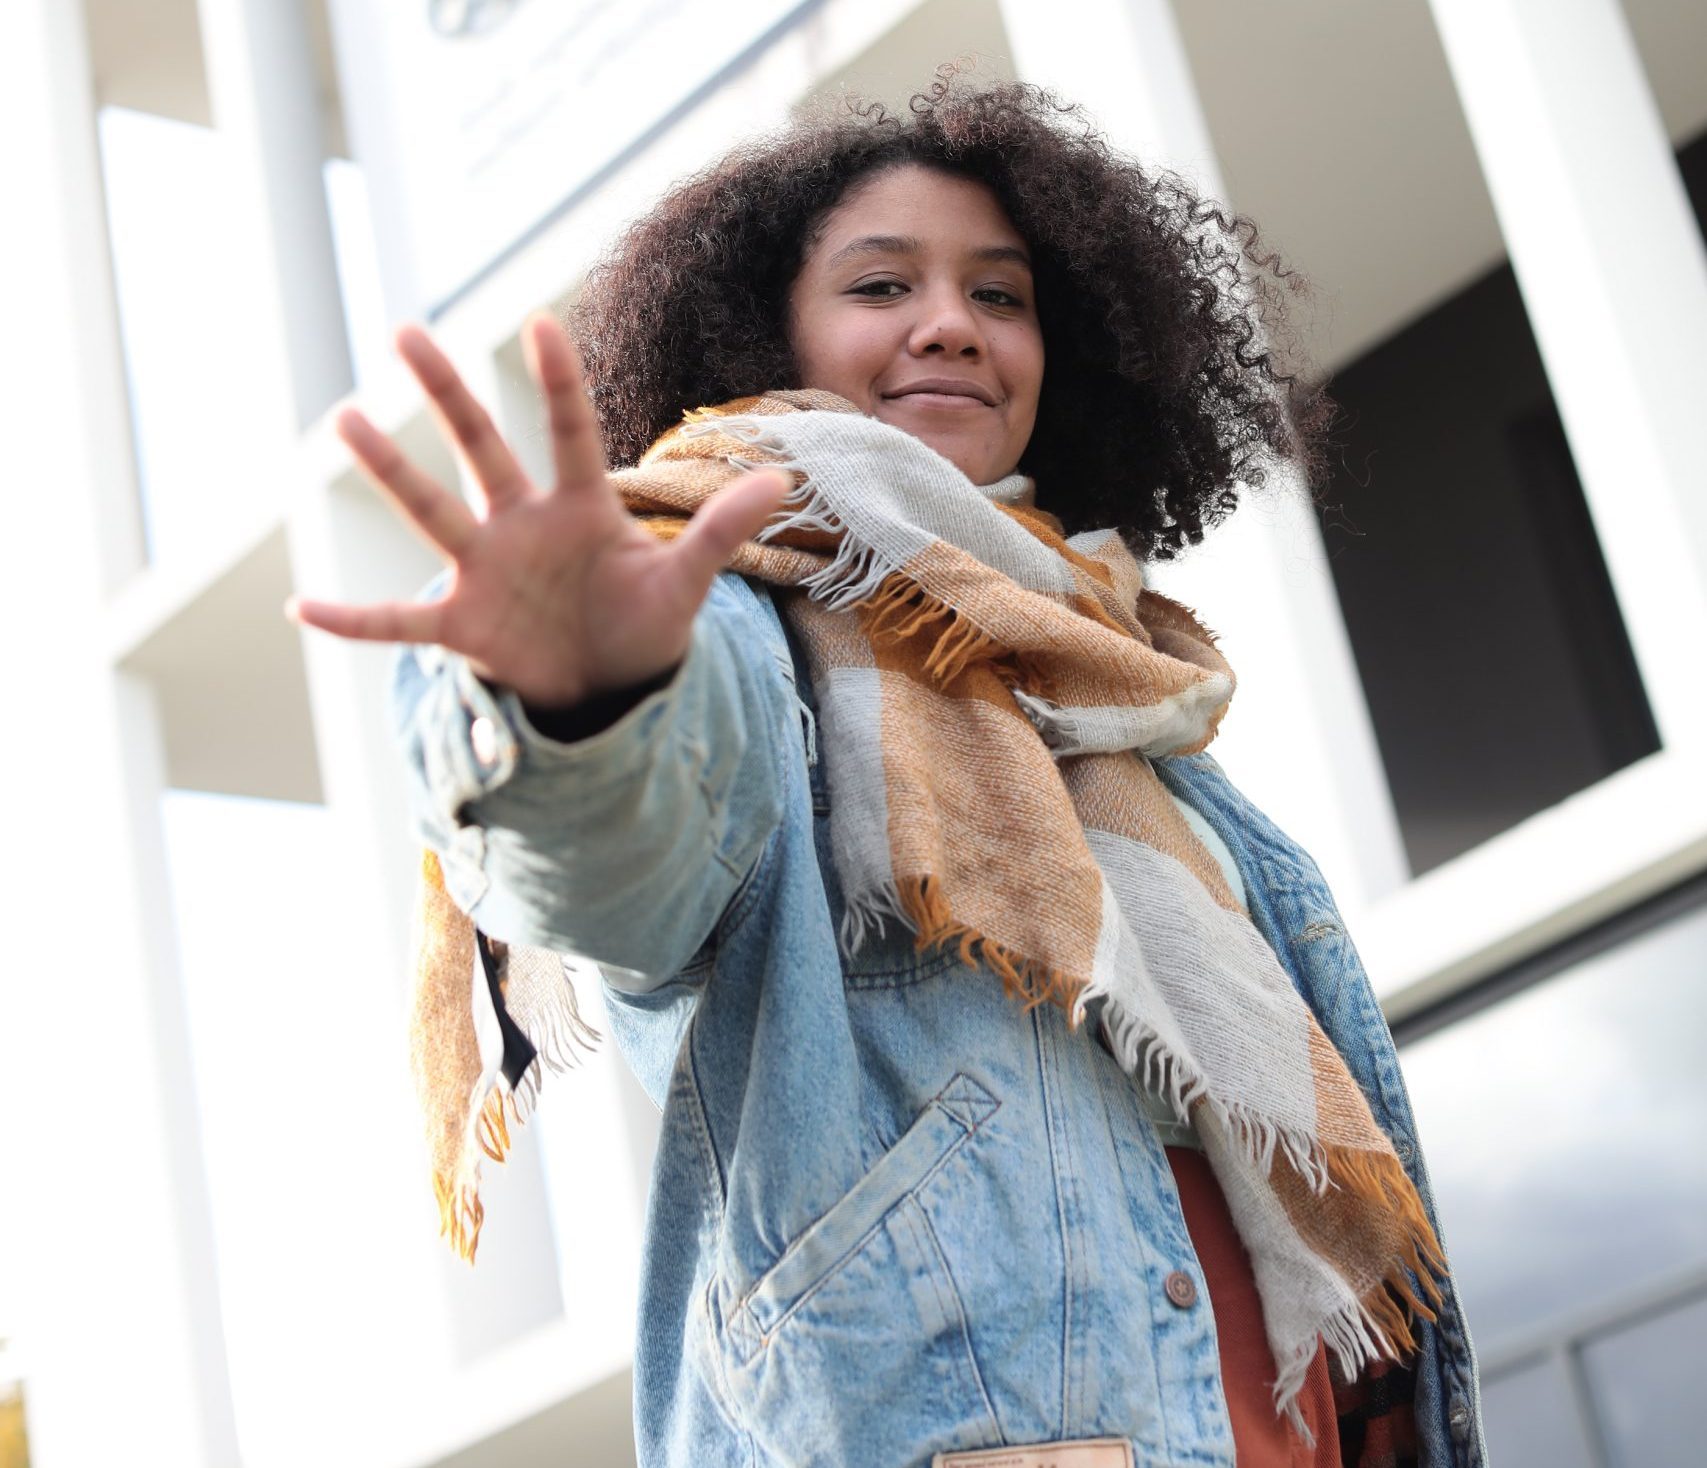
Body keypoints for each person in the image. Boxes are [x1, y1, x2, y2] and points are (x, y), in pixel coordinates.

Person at [289, 76, 1485, 1468]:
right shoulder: (730, 623)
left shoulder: (1134, 700)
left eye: (1001, 294)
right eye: (879, 284)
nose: (950, 327)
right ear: (766, 330)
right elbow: (628, 855)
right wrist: (586, 697)